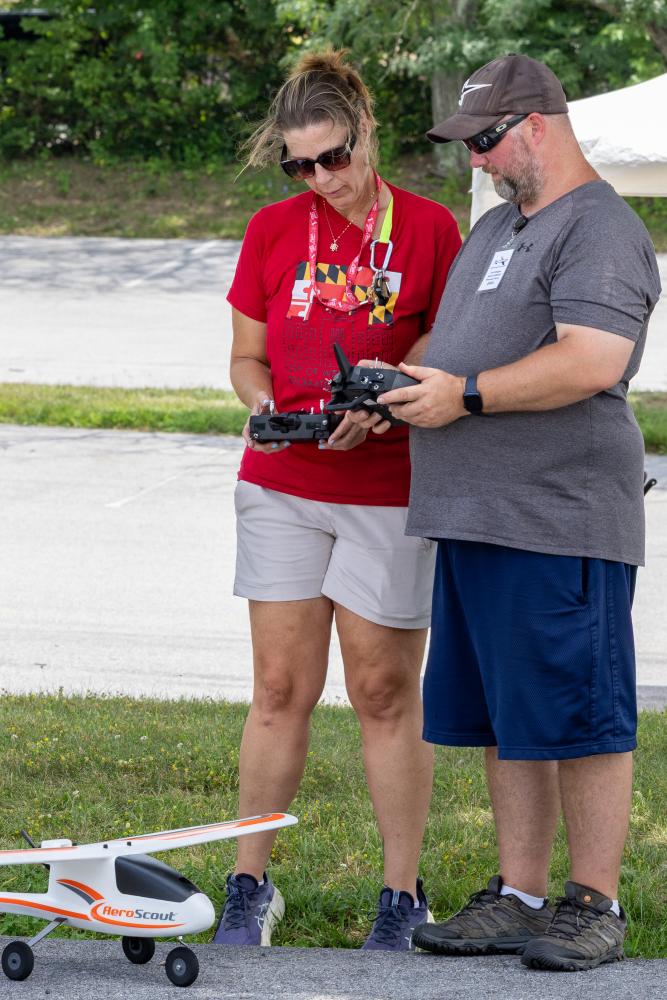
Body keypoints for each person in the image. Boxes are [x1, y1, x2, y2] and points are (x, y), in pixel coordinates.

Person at [360, 53, 661, 971]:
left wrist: (467, 397)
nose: (478, 162)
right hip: (478, 516)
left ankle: (593, 903)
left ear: (537, 124)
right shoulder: (498, 230)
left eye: (487, 141)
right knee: (503, 719)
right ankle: (520, 894)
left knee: (579, 712)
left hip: (556, 517)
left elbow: (591, 360)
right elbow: (459, 351)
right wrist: (404, 389)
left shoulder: (600, 228)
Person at [212, 50, 462, 950]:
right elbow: (246, 360)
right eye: (299, 165)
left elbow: (447, 341)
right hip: (283, 484)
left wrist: (386, 396)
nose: (320, 180)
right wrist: (264, 406)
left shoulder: (431, 228)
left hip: (386, 485)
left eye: (333, 158)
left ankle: (401, 897)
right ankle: (250, 886)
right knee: (279, 687)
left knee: (383, 689)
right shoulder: (274, 229)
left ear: (365, 133)